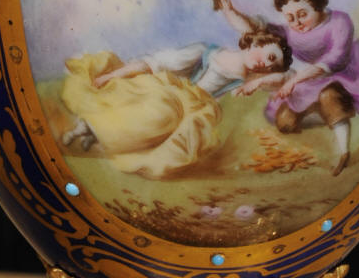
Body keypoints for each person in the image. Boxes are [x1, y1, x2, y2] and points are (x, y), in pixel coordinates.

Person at [59, 25, 292, 180]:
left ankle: (101, 137)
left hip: (196, 110)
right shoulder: (206, 52)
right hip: (174, 94)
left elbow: (288, 77)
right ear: (257, 42)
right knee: (158, 111)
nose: (266, 65)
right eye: (269, 56)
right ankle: (86, 128)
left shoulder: (247, 81)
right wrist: (112, 75)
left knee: (171, 133)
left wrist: (262, 80)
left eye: (271, 66)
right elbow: (157, 62)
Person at [218, 0, 359, 176]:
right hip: (310, 80)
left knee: (329, 98)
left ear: (318, 6)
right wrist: (230, 12)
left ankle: (344, 152)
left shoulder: (339, 22)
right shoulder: (289, 33)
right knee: (285, 122)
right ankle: (323, 114)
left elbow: (335, 60)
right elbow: (255, 28)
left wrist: (294, 81)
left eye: (302, 14)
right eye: (290, 17)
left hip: (347, 73)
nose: (296, 22)